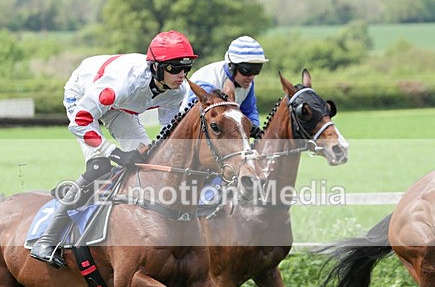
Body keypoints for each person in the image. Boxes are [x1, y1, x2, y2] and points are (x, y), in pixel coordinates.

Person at [30, 30, 197, 268]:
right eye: (174, 68)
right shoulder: (124, 84)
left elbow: (168, 132)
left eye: (186, 68)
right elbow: (79, 122)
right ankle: (47, 239)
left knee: (148, 159)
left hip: (120, 109)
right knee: (99, 165)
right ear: (157, 68)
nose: (181, 75)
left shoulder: (176, 91)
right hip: (84, 99)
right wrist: (116, 153)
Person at [184, 35, 268, 136]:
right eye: (247, 70)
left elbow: (249, 110)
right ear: (231, 66)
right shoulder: (207, 80)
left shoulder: (247, 82)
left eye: (256, 71)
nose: (251, 77)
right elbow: (197, 118)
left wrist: (253, 125)